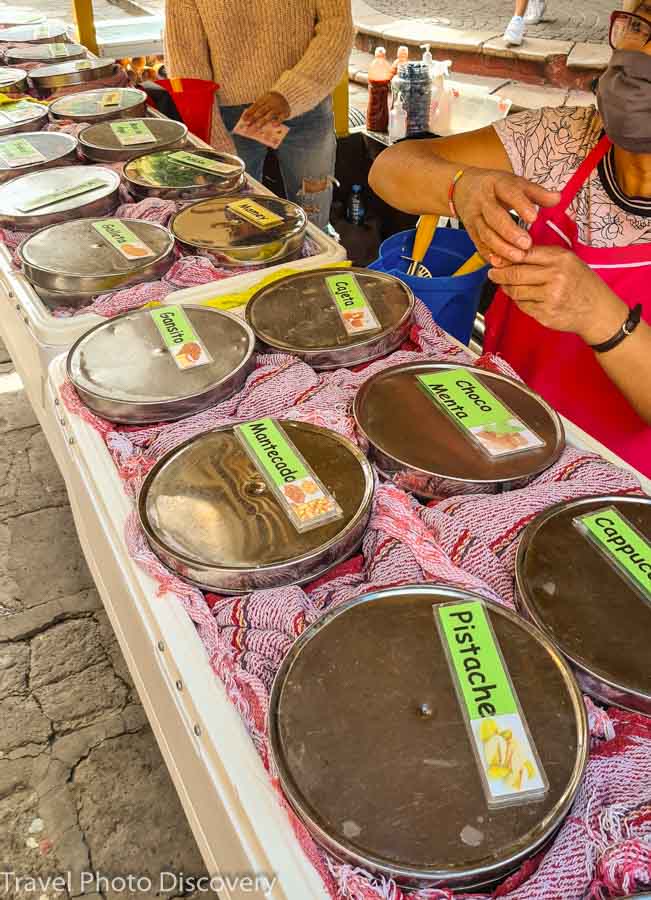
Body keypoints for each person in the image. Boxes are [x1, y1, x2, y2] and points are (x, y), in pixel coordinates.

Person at [368, 0, 651, 477]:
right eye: (642, 24)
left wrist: (600, 315)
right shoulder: (564, 137)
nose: (643, 53)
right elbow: (389, 169)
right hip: (495, 429)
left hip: (613, 488)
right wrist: (462, 186)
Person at [164, 1, 354, 231]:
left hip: (308, 101)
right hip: (228, 115)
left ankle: (318, 263)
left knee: (315, 221)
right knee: (238, 225)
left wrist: (293, 92)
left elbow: (337, 26)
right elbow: (186, 57)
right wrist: (212, 133)